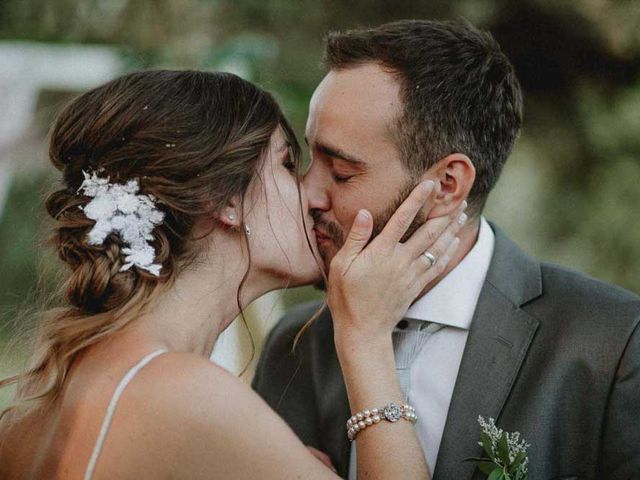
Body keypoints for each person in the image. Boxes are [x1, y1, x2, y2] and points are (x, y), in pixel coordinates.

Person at [0, 69, 467, 479]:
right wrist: (366, 339)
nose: (312, 195)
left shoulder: (35, 414)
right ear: (224, 200)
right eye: (287, 164)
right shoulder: (184, 397)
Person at [252, 19, 640, 479]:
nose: (308, 194)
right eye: (310, 158)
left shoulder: (612, 343)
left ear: (447, 186)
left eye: (340, 172)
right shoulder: (295, 344)